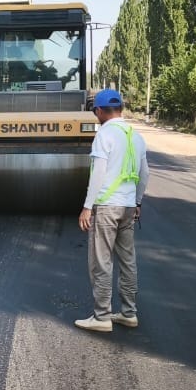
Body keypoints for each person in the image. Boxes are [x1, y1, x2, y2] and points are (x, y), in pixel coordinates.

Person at [76, 88, 149, 333]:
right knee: (128, 261)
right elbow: (145, 173)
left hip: (106, 207)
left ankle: (102, 316)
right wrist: (137, 202)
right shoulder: (135, 136)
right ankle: (129, 313)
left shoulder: (104, 135)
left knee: (101, 262)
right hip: (128, 206)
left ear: (98, 110)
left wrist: (87, 207)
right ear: (121, 109)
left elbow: (97, 173)